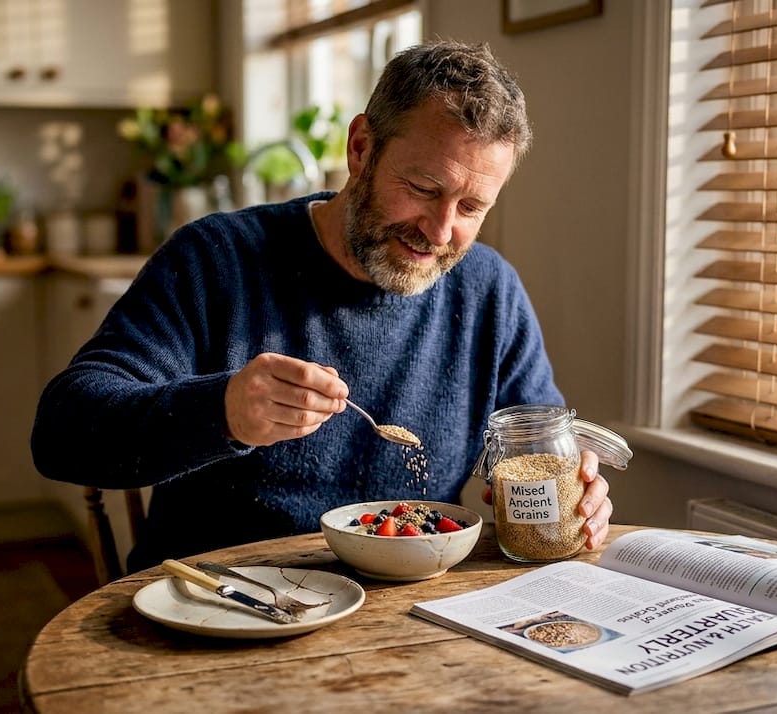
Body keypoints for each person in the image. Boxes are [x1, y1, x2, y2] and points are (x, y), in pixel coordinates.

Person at [31, 40, 614, 573]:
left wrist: (576, 492)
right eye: (423, 189)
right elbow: (61, 432)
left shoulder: (488, 290)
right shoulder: (216, 261)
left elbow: (539, 448)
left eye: (470, 207)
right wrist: (225, 411)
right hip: (221, 607)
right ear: (361, 147)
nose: (439, 231)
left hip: (403, 618)